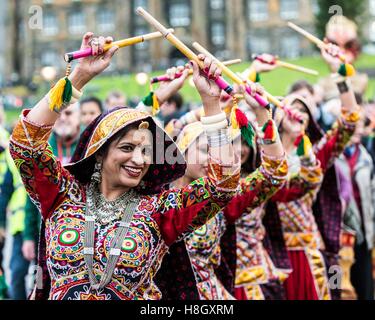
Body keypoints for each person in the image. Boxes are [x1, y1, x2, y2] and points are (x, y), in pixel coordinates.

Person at [9, 33, 240, 300]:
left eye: (146, 151)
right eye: (127, 148)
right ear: (99, 153)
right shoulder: (63, 194)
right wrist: (79, 78)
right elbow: (25, 144)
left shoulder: (159, 210)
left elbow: (222, 187)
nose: (139, 160)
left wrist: (211, 104)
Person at [155, 81, 288, 300]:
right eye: (204, 150)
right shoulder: (153, 199)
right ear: (182, 152)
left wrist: (263, 115)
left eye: (216, 149)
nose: (213, 158)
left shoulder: (223, 200)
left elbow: (273, 174)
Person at [336, 114, 375, 300]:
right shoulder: (332, 156)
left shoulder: (366, 158)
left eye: (362, 125)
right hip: (336, 238)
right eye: (355, 125)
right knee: (336, 289)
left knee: (364, 290)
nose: (360, 130)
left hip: (362, 236)